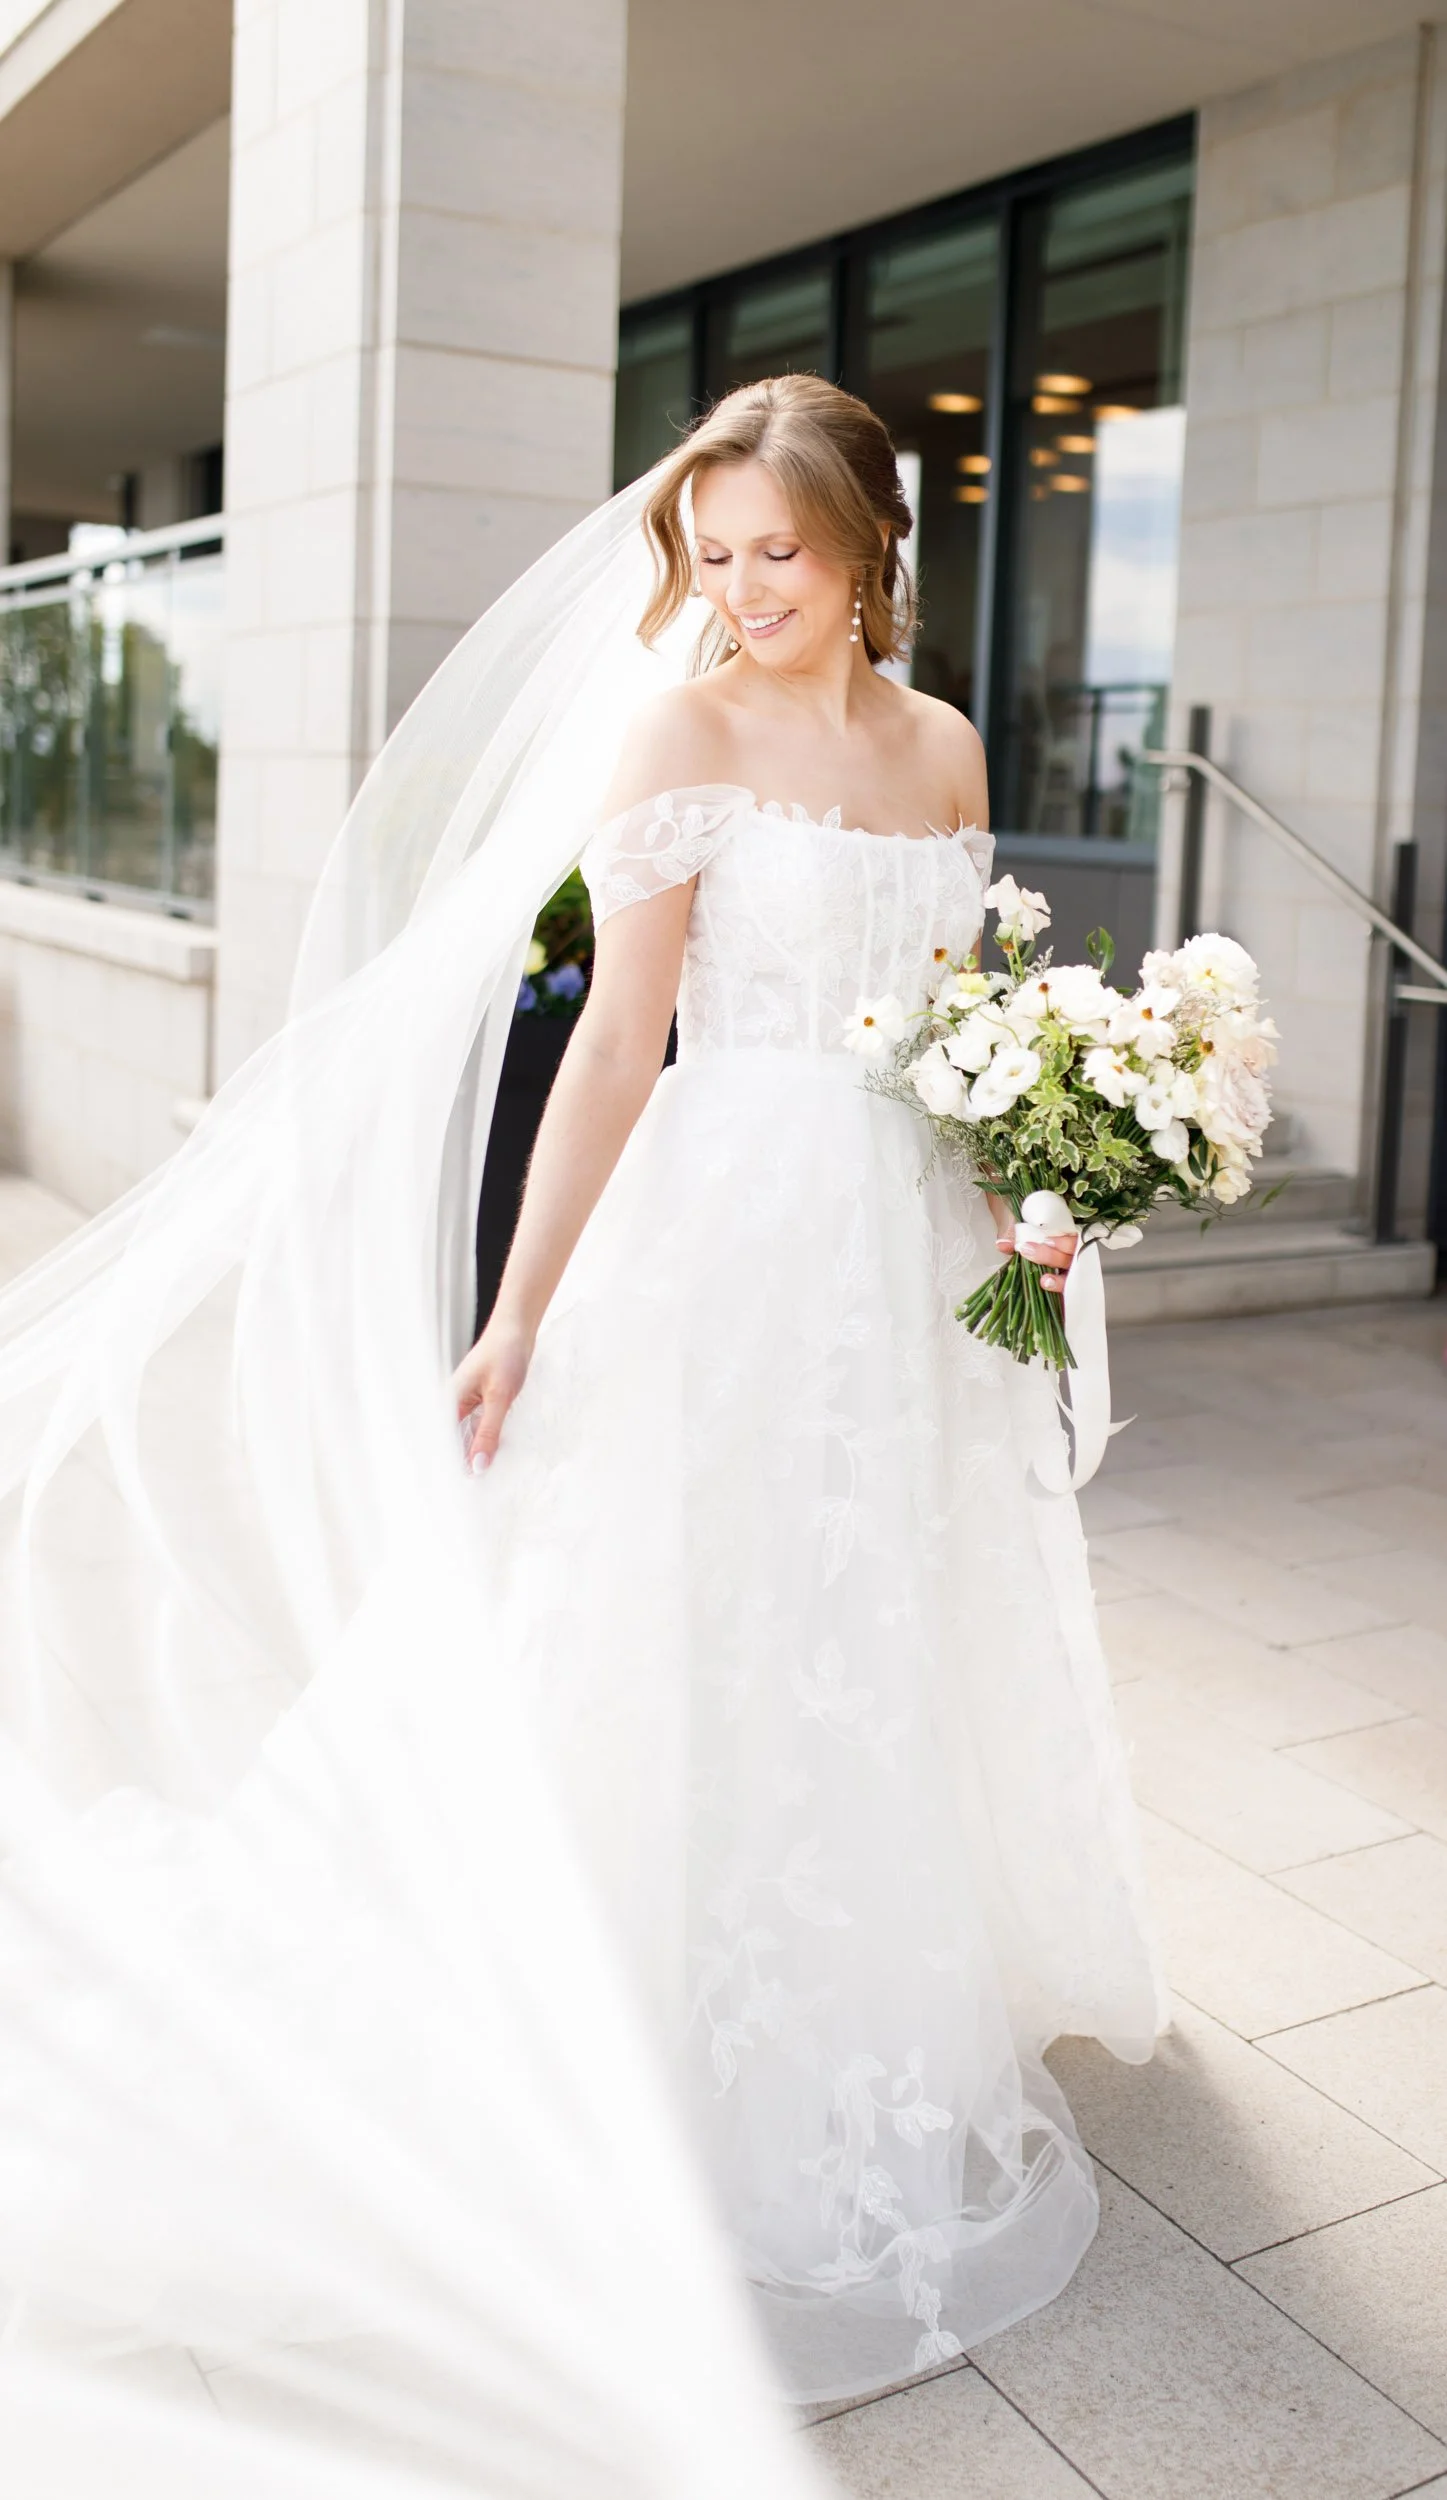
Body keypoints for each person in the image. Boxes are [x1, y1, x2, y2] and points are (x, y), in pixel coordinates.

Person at [451, 376, 1166, 2402]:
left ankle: (873, 1991)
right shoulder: (676, 729)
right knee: (726, 1616)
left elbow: (967, 1023)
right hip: (736, 1236)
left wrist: (1047, 1170)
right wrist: (519, 1308)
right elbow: (612, 1044)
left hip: (909, 1245)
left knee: (888, 1612)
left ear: (869, 549)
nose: (743, 588)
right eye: (716, 552)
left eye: (781, 549)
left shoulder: (942, 750)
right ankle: (687, 2032)